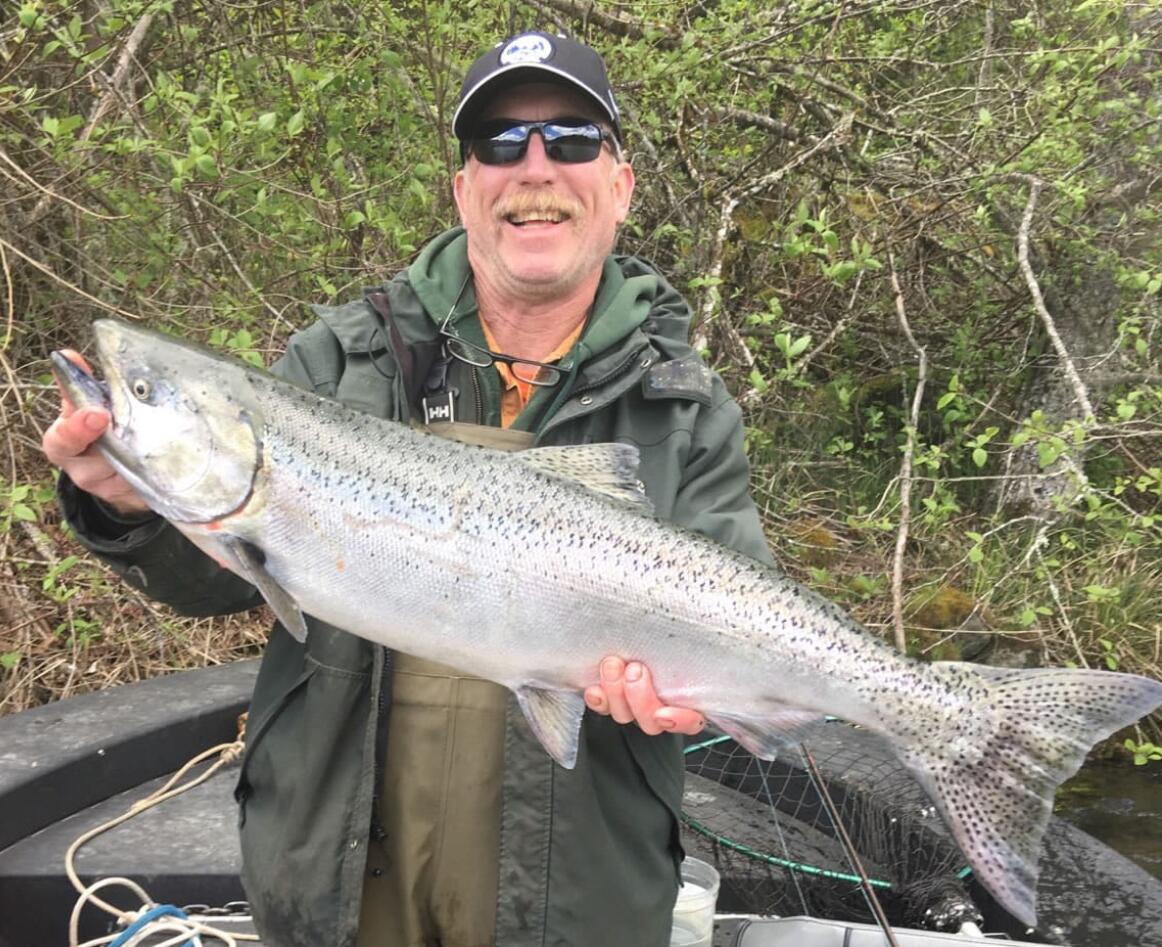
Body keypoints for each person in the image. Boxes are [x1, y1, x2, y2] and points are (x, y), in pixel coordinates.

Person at [43, 31, 775, 947]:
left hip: (577, 898)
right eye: (500, 144)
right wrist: (127, 501)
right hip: (345, 883)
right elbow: (220, 581)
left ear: (619, 185)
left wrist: (694, 693)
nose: (535, 168)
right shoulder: (343, 358)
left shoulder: (685, 405)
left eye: (573, 139)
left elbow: (748, 617)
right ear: (465, 189)